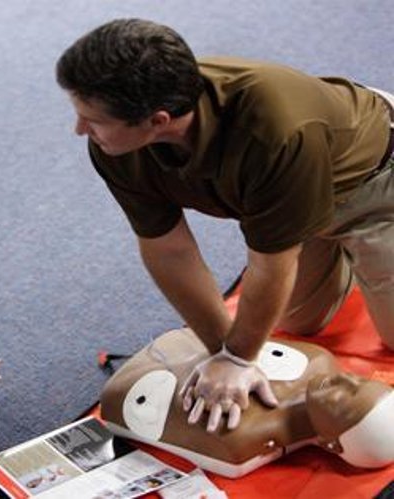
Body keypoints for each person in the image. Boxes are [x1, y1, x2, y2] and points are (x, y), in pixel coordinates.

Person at [55, 19, 394, 433]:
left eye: (92, 120)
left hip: (375, 184)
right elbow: (168, 248)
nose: (80, 130)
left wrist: (239, 357)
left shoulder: (276, 130)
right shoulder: (116, 145)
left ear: (158, 120)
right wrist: (224, 353)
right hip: (294, 193)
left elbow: (272, 263)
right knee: (296, 326)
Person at [100, 327, 394, 477]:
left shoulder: (242, 439)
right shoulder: (320, 360)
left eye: (345, 398)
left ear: (333, 444)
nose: (346, 379)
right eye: (361, 381)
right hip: (185, 342)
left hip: (140, 386)